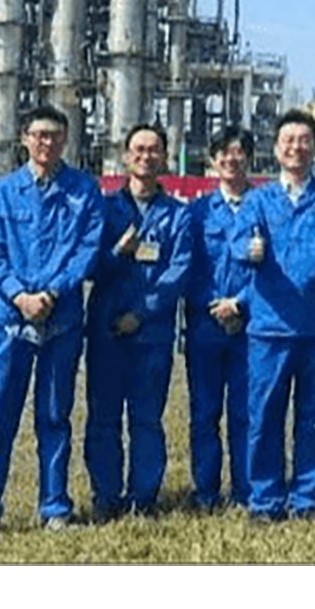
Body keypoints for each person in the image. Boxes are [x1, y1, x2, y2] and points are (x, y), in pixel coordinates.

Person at [0, 106, 104, 541]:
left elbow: (87, 250)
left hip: (61, 320)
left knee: (55, 416)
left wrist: (52, 293)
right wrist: (19, 296)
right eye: (40, 135)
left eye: (56, 135)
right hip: (11, 322)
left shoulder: (84, 190)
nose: (47, 143)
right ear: (25, 137)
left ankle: (55, 505)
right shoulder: (2, 193)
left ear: (66, 140)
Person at [235, 110, 315, 521]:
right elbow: (238, 242)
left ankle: (308, 498)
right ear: (276, 149)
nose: (296, 148)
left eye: (305, 140)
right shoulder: (258, 200)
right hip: (268, 327)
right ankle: (266, 499)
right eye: (289, 140)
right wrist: (248, 250)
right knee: (264, 415)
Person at [84, 124, 192, 520]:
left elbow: (179, 272)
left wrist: (142, 313)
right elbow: (89, 266)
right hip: (107, 331)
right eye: (139, 149)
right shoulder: (104, 209)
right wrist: (118, 250)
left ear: (164, 157)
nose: (146, 156)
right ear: (126, 156)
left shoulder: (178, 215)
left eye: (154, 150)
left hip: (152, 334)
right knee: (104, 418)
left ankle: (144, 497)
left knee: (146, 419)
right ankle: (106, 496)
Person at [184, 126, 256, 511]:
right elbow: (186, 267)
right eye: (223, 153)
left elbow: (274, 269)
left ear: (250, 158)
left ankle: (245, 491)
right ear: (213, 161)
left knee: (246, 413)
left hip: (251, 326)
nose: (231, 160)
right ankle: (206, 492)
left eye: (238, 152)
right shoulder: (197, 212)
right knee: (204, 413)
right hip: (205, 325)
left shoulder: (264, 207)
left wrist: (240, 302)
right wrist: (215, 304)